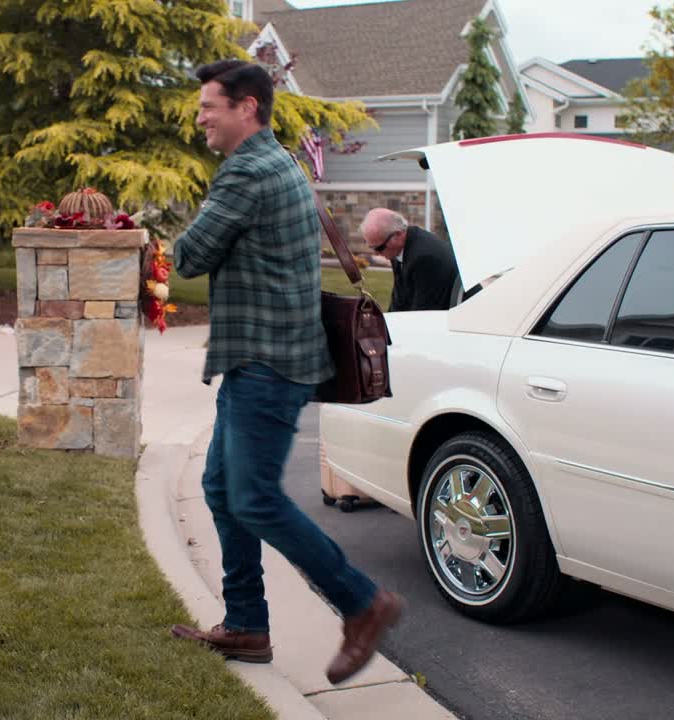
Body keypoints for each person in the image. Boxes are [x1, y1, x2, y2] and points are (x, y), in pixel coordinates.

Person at [169, 60, 403, 686]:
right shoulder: (280, 161)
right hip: (265, 359)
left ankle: (363, 602)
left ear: (246, 107)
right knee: (223, 489)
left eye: (209, 106)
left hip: (267, 363)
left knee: (253, 497)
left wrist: (169, 239)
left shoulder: (246, 171)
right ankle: (246, 624)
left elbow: (190, 255)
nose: (200, 117)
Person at [360, 207, 474, 311]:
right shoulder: (398, 248)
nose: (376, 253)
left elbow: (424, 311)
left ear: (398, 234)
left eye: (379, 248)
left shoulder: (424, 258)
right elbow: (400, 300)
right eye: (372, 248)